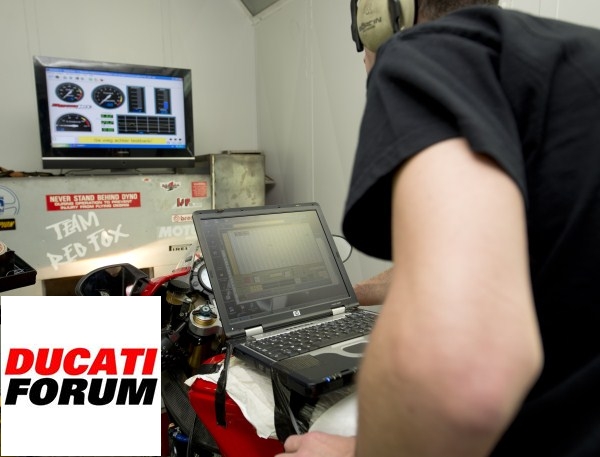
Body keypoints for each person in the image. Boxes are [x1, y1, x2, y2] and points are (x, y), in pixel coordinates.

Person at [277, 0, 600, 456]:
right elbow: (486, 261)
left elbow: (459, 379)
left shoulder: (429, 56)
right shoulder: (574, 65)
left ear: (380, 15)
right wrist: (350, 293)